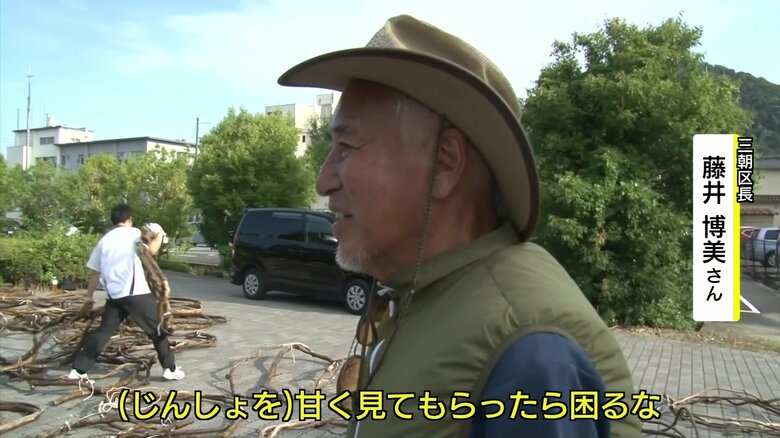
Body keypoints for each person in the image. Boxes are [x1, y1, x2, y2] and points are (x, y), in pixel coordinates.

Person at [278, 15, 642, 438]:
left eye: (346, 146)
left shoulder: (529, 349)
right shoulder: (428, 292)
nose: (323, 181)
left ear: (445, 163)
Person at [68, 204, 185, 381]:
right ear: (129, 219)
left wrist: (89, 297)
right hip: (136, 293)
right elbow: (152, 250)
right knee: (157, 330)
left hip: (114, 297)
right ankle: (170, 369)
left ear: (113, 221)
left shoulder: (104, 240)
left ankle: (78, 370)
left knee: (103, 333)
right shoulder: (134, 233)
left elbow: (94, 273)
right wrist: (160, 233)